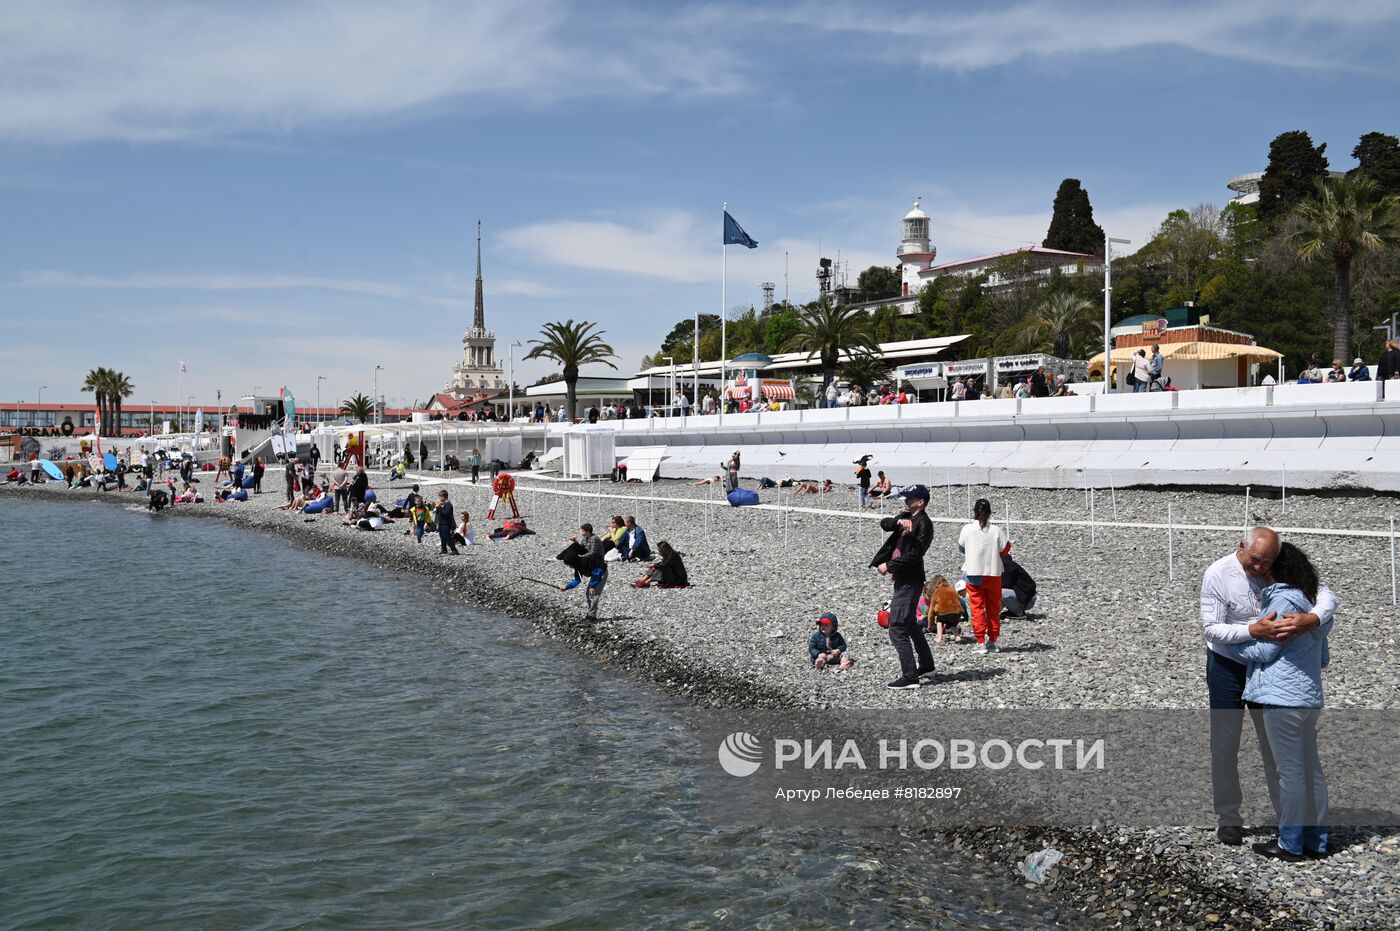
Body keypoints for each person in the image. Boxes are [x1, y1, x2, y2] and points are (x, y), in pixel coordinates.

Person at [1200, 526, 1337, 847]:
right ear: (1241, 548)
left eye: (1267, 563)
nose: (1260, 569)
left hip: (1271, 672)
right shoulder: (1218, 574)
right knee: (1224, 747)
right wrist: (1253, 630)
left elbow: (1326, 594)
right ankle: (1229, 818)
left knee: (1277, 752)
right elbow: (1212, 629)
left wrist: (1312, 619)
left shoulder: (1280, 565)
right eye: (1255, 561)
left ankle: (1286, 824)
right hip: (1227, 666)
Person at [869, 485, 936, 690]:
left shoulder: (924, 523)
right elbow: (885, 524)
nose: (906, 501)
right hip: (903, 580)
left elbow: (915, 555)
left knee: (897, 627)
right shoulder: (906, 515)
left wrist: (888, 566)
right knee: (909, 625)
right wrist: (899, 520)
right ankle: (926, 667)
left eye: (910, 498)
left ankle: (910, 677)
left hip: (910, 580)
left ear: (920, 502)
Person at [958, 498, 1011, 654]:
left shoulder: (967, 529)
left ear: (975, 512)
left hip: (974, 572)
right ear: (989, 513)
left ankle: (980, 641)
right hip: (993, 572)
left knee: (977, 608)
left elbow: (961, 547)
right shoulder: (996, 530)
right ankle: (992, 640)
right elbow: (1005, 549)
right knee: (994, 608)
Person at [920, 575, 966, 645]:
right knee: (952, 624)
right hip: (957, 613)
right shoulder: (952, 590)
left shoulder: (936, 592)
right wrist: (961, 613)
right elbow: (959, 601)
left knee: (939, 621)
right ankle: (957, 637)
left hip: (943, 614)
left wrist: (930, 625)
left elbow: (931, 610)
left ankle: (939, 638)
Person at [435, 490, 458, 555]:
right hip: (441, 523)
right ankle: (444, 550)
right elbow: (438, 513)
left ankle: (454, 550)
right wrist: (437, 508)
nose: (439, 498)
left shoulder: (449, 505)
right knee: (442, 537)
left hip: (446, 524)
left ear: (444, 497)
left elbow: (446, 514)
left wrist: (439, 507)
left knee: (447, 537)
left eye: (440, 497)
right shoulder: (443, 504)